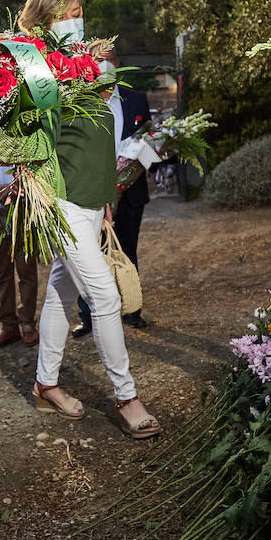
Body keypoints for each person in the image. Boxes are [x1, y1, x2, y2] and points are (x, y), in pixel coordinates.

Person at [19, 0, 161, 439]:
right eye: (63, 12)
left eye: (78, 9)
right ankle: (127, 397)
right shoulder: (34, 65)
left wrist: (106, 196)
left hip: (89, 194)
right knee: (104, 297)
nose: (74, 18)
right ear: (42, 17)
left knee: (62, 289)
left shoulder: (91, 59)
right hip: (56, 196)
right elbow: (34, 138)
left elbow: (100, 135)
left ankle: (46, 383)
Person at [73, 45, 152, 333]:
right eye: (97, 61)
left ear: (117, 63)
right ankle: (88, 316)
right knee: (90, 253)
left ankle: (131, 309)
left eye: (107, 60)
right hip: (91, 191)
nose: (103, 65)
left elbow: (149, 137)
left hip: (131, 192)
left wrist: (134, 163)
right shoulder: (80, 99)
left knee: (127, 248)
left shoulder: (136, 99)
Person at [0, 163, 40, 350]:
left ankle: (28, 322)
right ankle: (8, 326)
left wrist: (16, 186)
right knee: (1, 274)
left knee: (27, 272)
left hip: (23, 210)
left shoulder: (23, 136)